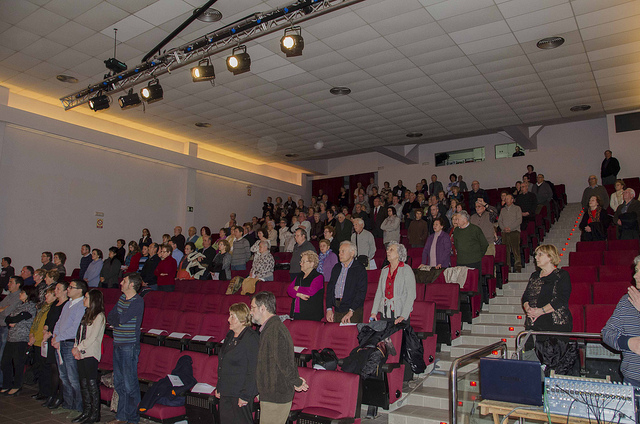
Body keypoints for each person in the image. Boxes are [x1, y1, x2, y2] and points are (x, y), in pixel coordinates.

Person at [251, 291, 308, 423]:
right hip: (270, 394)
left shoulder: (275, 329)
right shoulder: (269, 329)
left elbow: (285, 362)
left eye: (253, 308)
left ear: (263, 308)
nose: (250, 312)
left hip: (276, 396)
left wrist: (296, 381)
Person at [107, 273, 145, 424]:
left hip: (129, 346)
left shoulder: (138, 301)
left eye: (124, 281)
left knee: (130, 384)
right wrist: (117, 320)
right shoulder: (122, 298)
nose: (121, 282)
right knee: (119, 383)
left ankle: (133, 418)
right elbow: (111, 316)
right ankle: (121, 416)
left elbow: (122, 319)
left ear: (131, 285)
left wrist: (117, 320)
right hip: (118, 344)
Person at [521, 245, 572, 355]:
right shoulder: (534, 276)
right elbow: (525, 297)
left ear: (550, 257)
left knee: (555, 359)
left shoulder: (562, 275)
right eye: (536, 255)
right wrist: (528, 309)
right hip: (535, 323)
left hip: (555, 323)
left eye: (540, 254)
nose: (536, 257)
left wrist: (540, 311)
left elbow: (561, 299)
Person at [215, 303, 259, 424]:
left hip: (240, 393)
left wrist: (246, 395)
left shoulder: (251, 338)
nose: (228, 319)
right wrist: (219, 387)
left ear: (243, 320)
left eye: (232, 316)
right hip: (226, 391)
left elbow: (254, 370)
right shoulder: (230, 335)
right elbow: (223, 363)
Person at [51, 279, 88, 417]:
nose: (68, 289)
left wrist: (58, 338)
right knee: (63, 376)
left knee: (73, 378)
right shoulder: (67, 304)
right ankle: (68, 404)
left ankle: (78, 408)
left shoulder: (82, 306)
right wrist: (55, 336)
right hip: (60, 342)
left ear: (80, 290)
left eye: (71, 287)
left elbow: (75, 329)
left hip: (70, 343)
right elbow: (59, 321)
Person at [602, 256, 640, 386]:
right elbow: (607, 333)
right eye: (636, 270)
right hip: (631, 380)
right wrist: (628, 343)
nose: (636, 276)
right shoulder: (626, 300)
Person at [72, 289, 105, 424]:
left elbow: (92, 337)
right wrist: (76, 348)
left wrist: (78, 348)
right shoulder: (86, 314)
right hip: (81, 352)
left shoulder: (99, 316)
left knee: (91, 383)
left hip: (91, 353)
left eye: (86, 297)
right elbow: (79, 333)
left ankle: (95, 414)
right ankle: (86, 411)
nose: (84, 299)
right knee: (83, 383)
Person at [1, 284, 37, 396]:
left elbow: (23, 316)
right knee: (5, 362)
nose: (20, 294)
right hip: (11, 337)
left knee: (18, 363)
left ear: (28, 294)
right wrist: (13, 320)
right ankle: (7, 384)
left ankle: (17, 385)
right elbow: (8, 318)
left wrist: (14, 320)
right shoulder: (19, 305)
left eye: (22, 293)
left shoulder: (31, 306)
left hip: (21, 338)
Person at [370, 242, 416, 324]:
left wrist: (404, 315)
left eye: (391, 250)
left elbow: (411, 295)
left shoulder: (406, 270)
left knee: (397, 336)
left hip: (400, 312)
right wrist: (374, 313)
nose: (387, 252)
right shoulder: (384, 270)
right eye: (387, 250)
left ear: (399, 254)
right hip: (385, 311)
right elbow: (379, 292)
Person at [41, 280, 69, 410]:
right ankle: (52, 394)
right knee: (53, 368)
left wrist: (51, 333)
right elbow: (49, 319)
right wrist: (46, 329)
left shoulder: (66, 305)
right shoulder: (55, 304)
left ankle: (60, 396)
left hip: (58, 338)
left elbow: (62, 322)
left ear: (65, 291)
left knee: (59, 370)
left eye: (58, 289)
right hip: (50, 337)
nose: (56, 291)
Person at [326, 241, 367, 324]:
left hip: (353, 310)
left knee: (349, 335)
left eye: (343, 251)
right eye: (339, 251)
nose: (340, 254)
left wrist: (351, 311)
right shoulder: (337, 267)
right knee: (336, 335)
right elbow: (330, 288)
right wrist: (329, 308)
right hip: (338, 307)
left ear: (352, 253)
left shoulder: (359, 269)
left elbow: (361, 292)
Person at [28, 285, 56, 401]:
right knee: (39, 368)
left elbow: (44, 327)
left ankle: (46, 392)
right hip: (36, 340)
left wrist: (37, 337)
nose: (45, 296)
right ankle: (41, 391)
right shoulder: (43, 307)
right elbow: (36, 323)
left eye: (48, 294)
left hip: (42, 341)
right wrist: (31, 334)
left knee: (45, 369)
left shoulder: (52, 308)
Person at [287, 251, 324, 321]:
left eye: (303, 262)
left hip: (312, 314)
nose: (301, 264)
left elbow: (311, 291)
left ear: (311, 264)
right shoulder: (299, 276)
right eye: (301, 261)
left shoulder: (318, 276)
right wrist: (298, 294)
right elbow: (289, 290)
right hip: (297, 313)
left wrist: (297, 288)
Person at [0, 275, 23, 387]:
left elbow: (7, 313)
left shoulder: (18, 297)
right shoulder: (8, 296)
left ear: (17, 284)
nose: (8, 284)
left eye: (11, 282)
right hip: (1, 326)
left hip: (6, 328)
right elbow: (3, 310)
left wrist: (3, 309)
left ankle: (3, 382)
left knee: (2, 356)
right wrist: (3, 309)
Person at [498, 194, 523, 272]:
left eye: (508, 198)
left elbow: (519, 220)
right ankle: (507, 267)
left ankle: (518, 266)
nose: (506, 200)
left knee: (515, 250)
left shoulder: (517, 208)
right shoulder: (503, 210)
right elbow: (499, 221)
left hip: (514, 232)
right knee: (506, 251)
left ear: (512, 200)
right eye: (505, 199)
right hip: (504, 232)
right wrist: (503, 228)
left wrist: (510, 228)